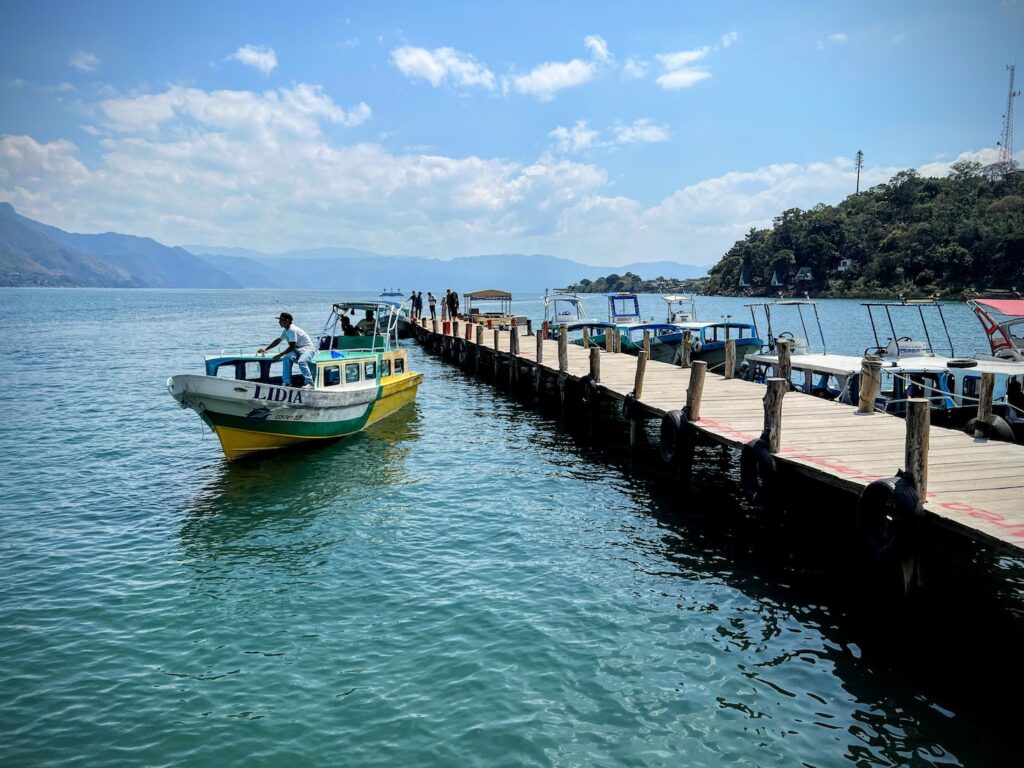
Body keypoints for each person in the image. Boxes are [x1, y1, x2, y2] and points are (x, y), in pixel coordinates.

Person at [259, 312, 315, 388]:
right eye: (279, 320)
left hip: (308, 348)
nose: (279, 322)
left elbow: (291, 347)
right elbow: (278, 341)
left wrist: (279, 355)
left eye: (281, 320)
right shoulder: (286, 331)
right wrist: (265, 349)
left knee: (301, 361)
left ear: (287, 321)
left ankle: (310, 383)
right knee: (286, 358)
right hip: (297, 349)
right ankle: (287, 383)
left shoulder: (292, 330)